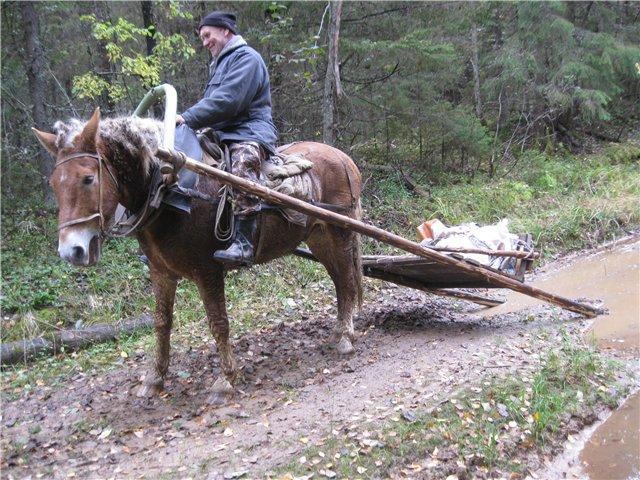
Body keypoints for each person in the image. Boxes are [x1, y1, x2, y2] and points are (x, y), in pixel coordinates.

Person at [176, 11, 278, 267]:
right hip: (223, 134)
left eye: (208, 35)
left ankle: (244, 243)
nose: (205, 42)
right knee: (181, 160)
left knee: (242, 166)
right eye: (202, 38)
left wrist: (188, 117)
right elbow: (213, 103)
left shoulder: (247, 59)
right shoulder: (220, 63)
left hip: (249, 131)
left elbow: (228, 101)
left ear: (225, 31)